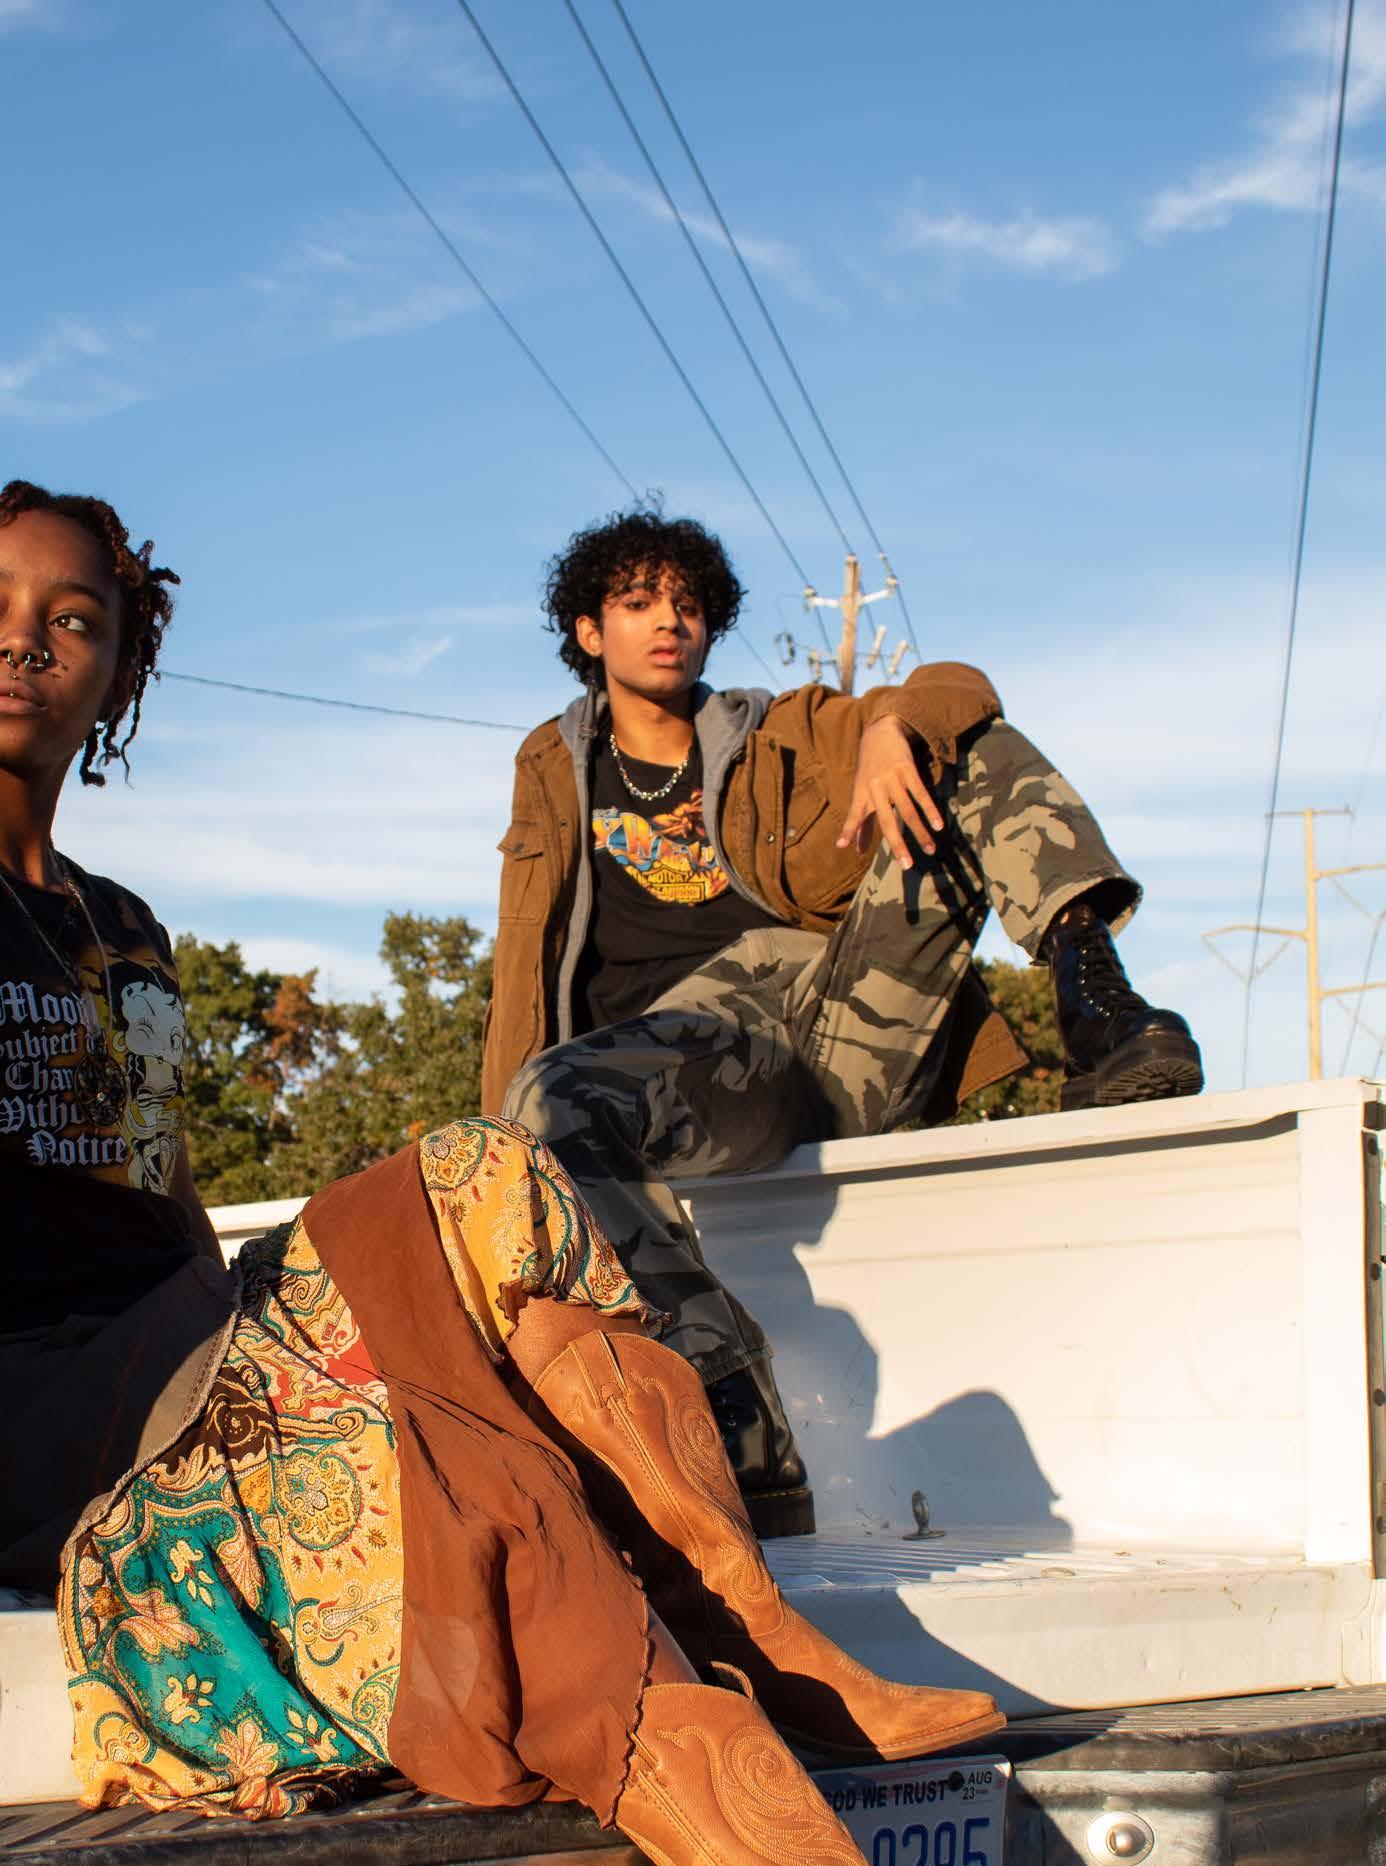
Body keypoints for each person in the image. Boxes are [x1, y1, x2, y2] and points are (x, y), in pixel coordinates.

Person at [0, 480, 1208, 1866]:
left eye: (73, 618)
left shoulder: (123, 920)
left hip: (179, 1348)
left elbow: (155, 1196)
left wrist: (323, 1324)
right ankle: (811, 1836)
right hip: (7, 1407)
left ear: (120, 669)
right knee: (473, 1302)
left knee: (494, 1285)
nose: (24, 640)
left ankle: (784, 1783)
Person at [485, 506, 1203, 1532]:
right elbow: (519, 977)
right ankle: (727, 1388)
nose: (669, 621)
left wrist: (890, 728)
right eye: (638, 602)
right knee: (553, 1093)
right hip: (682, 1066)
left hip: (840, 1019)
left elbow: (959, 688)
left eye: (688, 603)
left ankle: (1096, 998)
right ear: (589, 630)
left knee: (957, 748)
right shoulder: (552, 770)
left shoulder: (778, 729)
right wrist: (497, 1171)